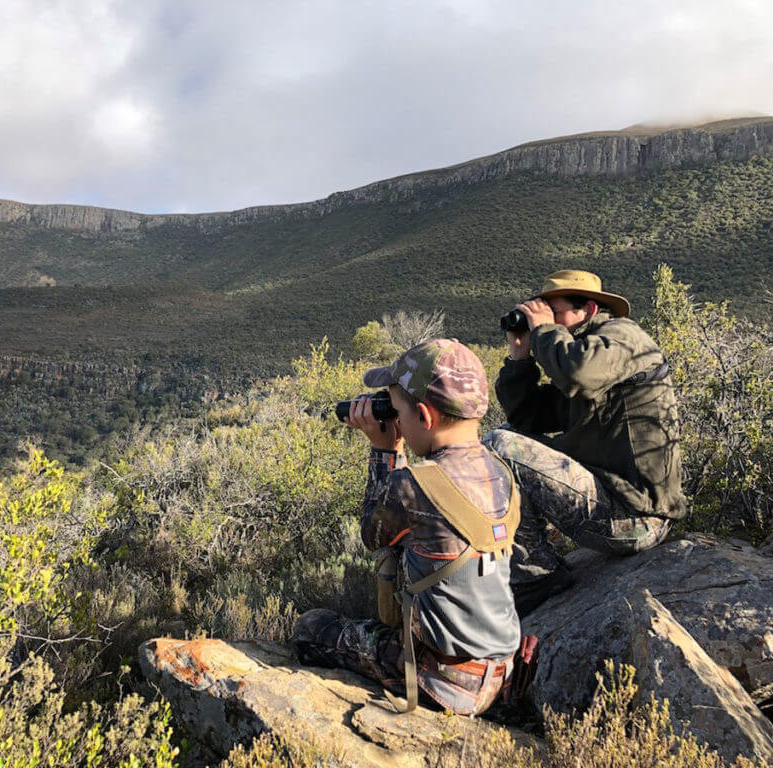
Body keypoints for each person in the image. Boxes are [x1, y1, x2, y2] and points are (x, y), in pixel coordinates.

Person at [292, 339, 521, 716]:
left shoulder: (414, 486)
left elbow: (372, 533)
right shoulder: (502, 473)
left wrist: (384, 450)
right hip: (500, 677)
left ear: (426, 418)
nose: (396, 422)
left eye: (398, 412)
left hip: (443, 684)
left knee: (311, 628)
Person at [483, 270, 685, 617]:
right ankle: (533, 564)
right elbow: (529, 418)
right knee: (503, 437)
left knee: (500, 445)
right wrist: (519, 359)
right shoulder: (590, 354)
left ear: (589, 309)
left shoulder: (622, 338)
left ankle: (537, 576)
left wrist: (545, 331)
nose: (544, 320)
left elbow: (577, 371)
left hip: (638, 517)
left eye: (554, 311)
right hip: (614, 504)